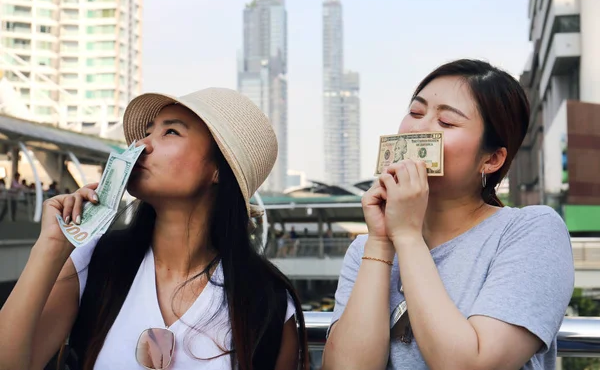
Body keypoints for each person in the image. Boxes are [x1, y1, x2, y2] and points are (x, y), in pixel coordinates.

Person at [0, 88, 308, 370]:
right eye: (147, 133)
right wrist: (50, 248)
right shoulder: (92, 262)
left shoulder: (268, 301)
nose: (141, 145)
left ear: (217, 169)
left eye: (170, 132)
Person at [322, 59, 574, 370]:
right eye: (416, 112)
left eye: (447, 123)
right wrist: (381, 241)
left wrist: (407, 236)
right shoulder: (366, 248)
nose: (420, 129)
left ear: (492, 159)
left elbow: (472, 365)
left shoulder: (530, 231)